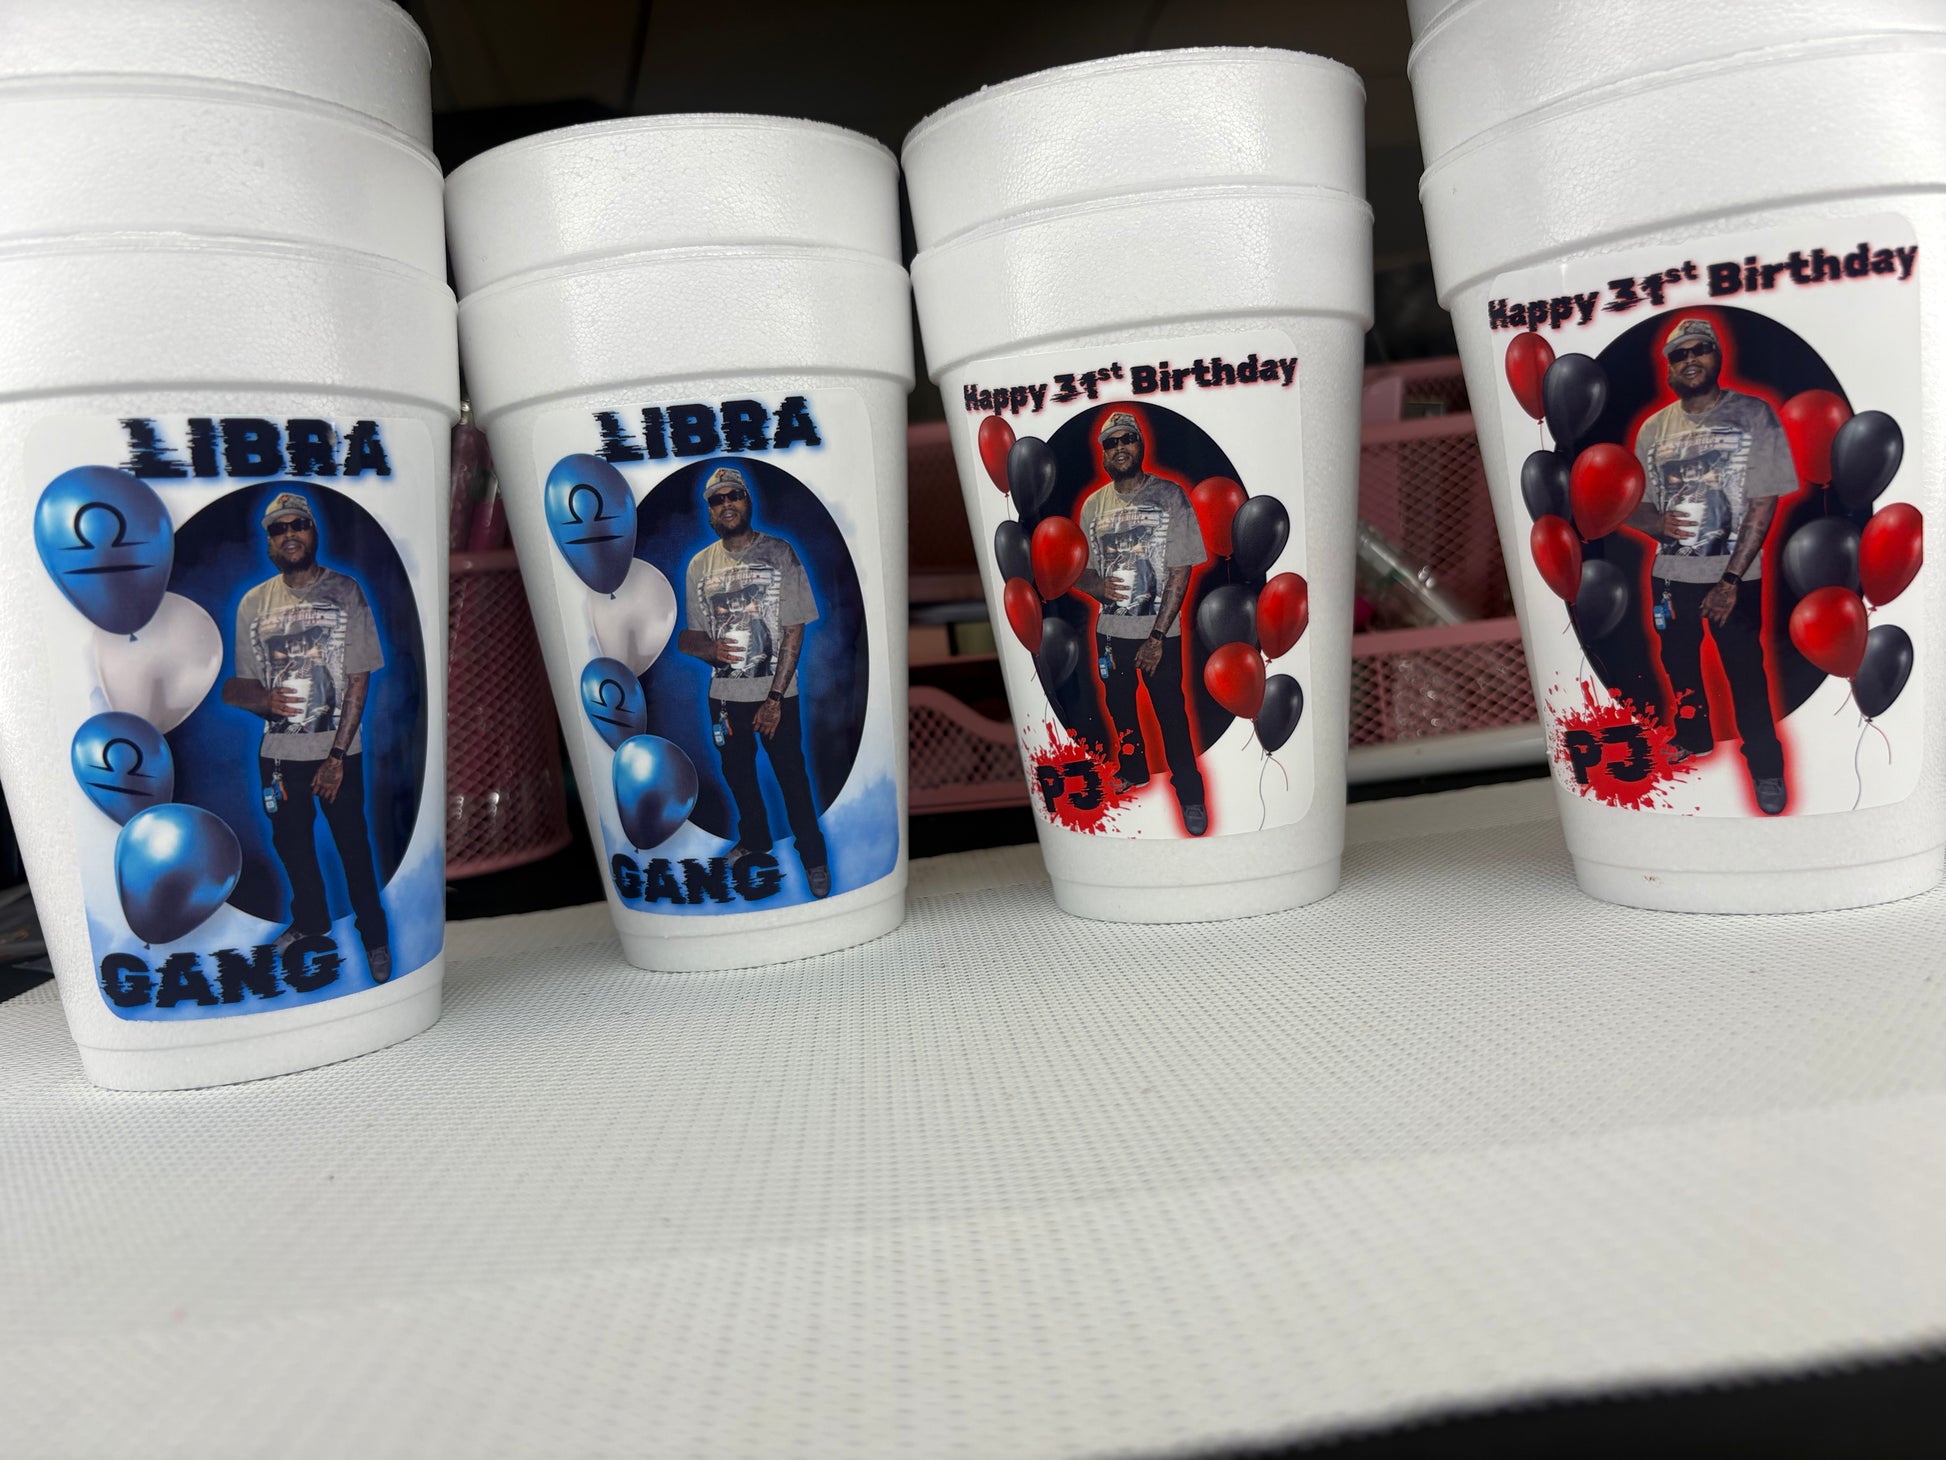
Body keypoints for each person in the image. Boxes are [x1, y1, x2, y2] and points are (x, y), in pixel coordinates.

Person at [1624, 317, 1793, 814]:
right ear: (1668, 367)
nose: (1690, 359)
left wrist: (1731, 580)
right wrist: (1653, 523)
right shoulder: (1654, 429)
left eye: (1699, 350)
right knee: (1678, 664)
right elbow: (1629, 502)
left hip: (1731, 575)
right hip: (1671, 576)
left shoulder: (1753, 415)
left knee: (1745, 672)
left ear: (1716, 356)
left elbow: (1763, 502)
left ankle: (1766, 769)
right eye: (1679, 354)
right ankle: (1693, 736)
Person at [220, 491, 392, 979]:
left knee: (353, 846)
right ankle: (312, 920)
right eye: (278, 529)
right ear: (269, 542)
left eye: (298, 524)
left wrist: (336, 757)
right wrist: (261, 701)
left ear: (313, 532)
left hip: (336, 751)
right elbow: (243, 685)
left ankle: (375, 937)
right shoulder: (253, 603)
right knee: (292, 845)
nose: (289, 534)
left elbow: (359, 678)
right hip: (278, 754)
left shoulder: (345, 591)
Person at [676, 465, 831, 897]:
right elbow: (691, 637)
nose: (726, 504)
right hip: (725, 698)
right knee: (739, 775)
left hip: (775, 695)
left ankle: (814, 857)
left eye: (734, 496)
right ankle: (756, 839)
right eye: (717, 499)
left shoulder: (781, 553)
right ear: (709, 511)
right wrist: (706, 650)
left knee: (792, 777)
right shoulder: (699, 565)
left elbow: (795, 629)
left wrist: (774, 699)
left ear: (748, 501)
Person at [1074, 410, 1210, 835]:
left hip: (1158, 635)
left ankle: (1190, 795)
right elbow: (1075, 569)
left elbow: (1181, 571)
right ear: (1103, 453)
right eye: (1111, 443)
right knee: (1120, 709)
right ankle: (1132, 770)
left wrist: (1156, 637)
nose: (1120, 448)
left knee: (1171, 713)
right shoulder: (1093, 506)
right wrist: (1096, 586)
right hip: (1110, 634)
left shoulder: (1170, 497)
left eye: (1127, 439)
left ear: (1140, 444)